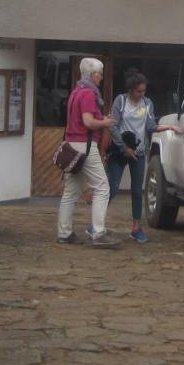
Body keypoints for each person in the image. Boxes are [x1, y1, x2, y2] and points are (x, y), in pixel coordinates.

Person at [105, 70, 183, 243]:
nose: (142, 94)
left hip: (139, 152)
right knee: (113, 186)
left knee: (136, 190)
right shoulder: (121, 101)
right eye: (139, 91)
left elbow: (150, 126)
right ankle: (97, 221)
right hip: (120, 150)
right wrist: (124, 147)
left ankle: (136, 227)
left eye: (144, 91)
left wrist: (170, 128)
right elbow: (113, 126)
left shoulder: (147, 103)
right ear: (131, 90)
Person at [56, 57, 119, 249]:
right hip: (85, 145)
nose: (101, 78)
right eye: (100, 74)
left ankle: (64, 233)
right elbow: (88, 122)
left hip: (72, 144)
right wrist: (106, 123)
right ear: (93, 75)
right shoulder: (89, 95)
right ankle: (98, 233)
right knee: (102, 187)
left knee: (71, 191)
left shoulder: (76, 92)